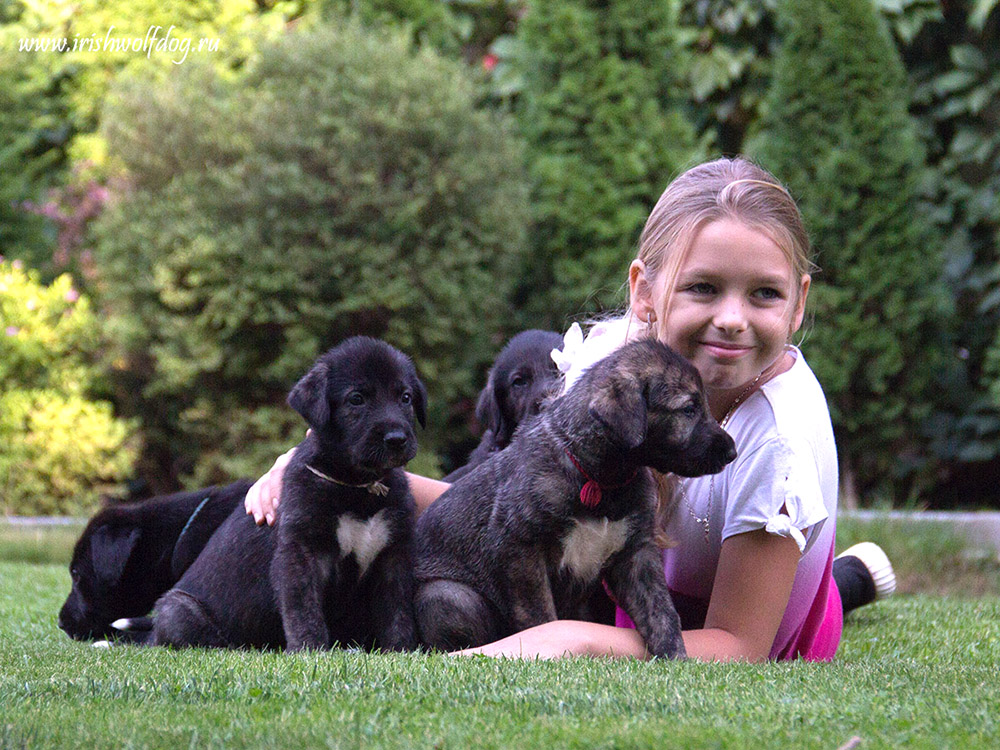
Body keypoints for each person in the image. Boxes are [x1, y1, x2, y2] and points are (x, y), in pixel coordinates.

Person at [244, 156, 894, 662]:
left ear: (800, 302)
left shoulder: (775, 447)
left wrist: (567, 639)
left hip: (722, 622)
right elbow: (496, 504)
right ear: (644, 290)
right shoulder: (620, 368)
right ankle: (855, 574)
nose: (731, 319)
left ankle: (845, 581)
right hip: (629, 591)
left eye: (764, 295)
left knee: (812, 602)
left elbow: (742, 647)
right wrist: (331, 469)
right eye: (702, 287)